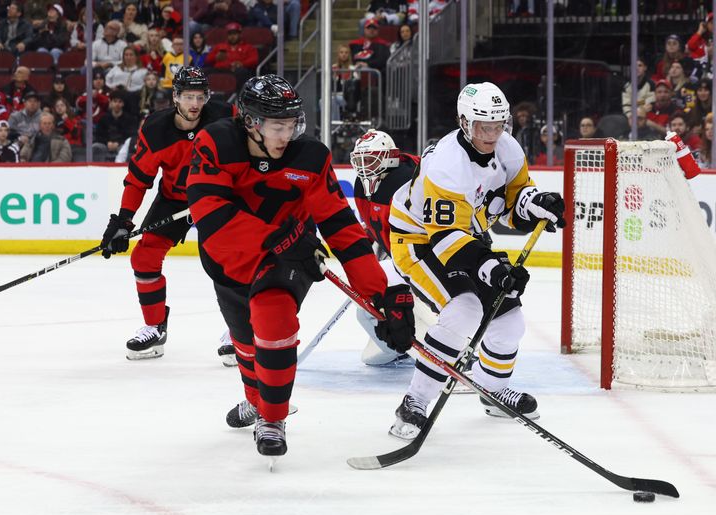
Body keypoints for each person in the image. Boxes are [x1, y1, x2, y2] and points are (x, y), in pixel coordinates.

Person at [186, 75, 414, 458]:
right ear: (251, 122)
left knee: (273, 321)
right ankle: (257, 401)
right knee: (244, 343)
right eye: (277, 126)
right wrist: (272, 237)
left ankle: (272, 419)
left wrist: (381, 293)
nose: (285, 136)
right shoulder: (216, 143)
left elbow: (341, 226)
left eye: (292, 125)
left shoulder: (310, 156)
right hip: (229, 259)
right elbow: (210, 214)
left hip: (290, 257)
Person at [386, 82, 565, 440]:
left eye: (499, 125)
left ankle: (491, 390)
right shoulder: (446, 165)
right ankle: (414, 401)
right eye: (484, 126)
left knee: (509, 321)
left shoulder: (508, 148)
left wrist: (538, 203)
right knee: (464, 309)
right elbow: (446, 239)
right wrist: (494, 270)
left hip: (468, 236)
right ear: (464, 123)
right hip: (419, 239)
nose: (492, 134)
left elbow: (515, 201)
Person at [98, 67, 235, 360]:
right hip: (175, 199)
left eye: (200, 97)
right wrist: (123, 221)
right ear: (175, 97)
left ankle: (239, 330)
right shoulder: (155, 129)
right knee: (144, 255)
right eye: (188, 97)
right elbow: (138, 179)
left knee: (230, 260)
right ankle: (154, 327)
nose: (195, 104)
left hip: (217, 199)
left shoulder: (225, 117)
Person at [350, 128, 422, 366]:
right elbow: (373, 227)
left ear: (388, 157)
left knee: (423, 310)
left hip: (421, 262)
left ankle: (452, 353)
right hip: (398, 260)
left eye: (369, 160)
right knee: (366, 316)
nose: (363, 166)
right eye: (359, 160)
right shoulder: (363, 185)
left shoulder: (405, 181)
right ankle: (399, 348)